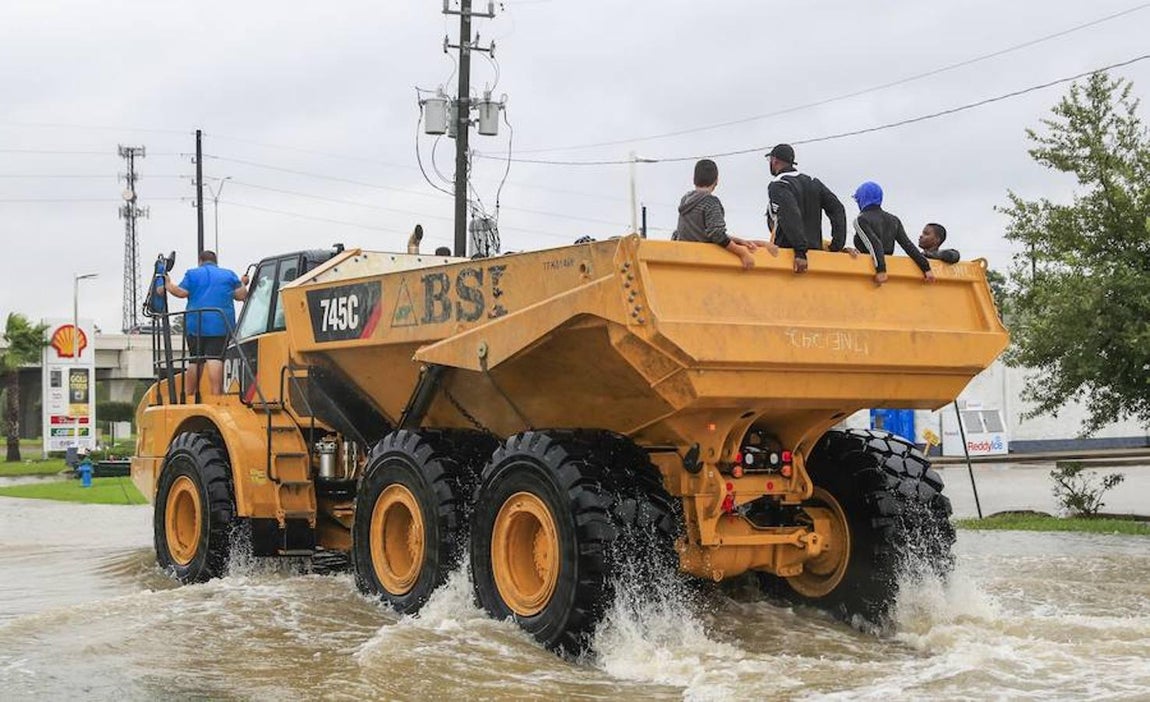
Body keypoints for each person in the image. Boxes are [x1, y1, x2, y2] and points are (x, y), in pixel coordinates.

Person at [164, 250, 249, 396]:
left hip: (195, 324)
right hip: (221, 324)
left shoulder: (192, 274)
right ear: (216, 261)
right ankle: (216, 393)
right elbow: (242, 295)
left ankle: (188, 394)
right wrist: (242, 283)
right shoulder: (228, 275)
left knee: (194, 360)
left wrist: (168, 284)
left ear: (200, 261)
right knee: (215, 358)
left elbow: (181, 292)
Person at [673, 158, 775, 269]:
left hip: (684, 258)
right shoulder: (710, 202)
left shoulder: (686, 200)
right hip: (704, 263)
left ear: (694, 179)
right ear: (716, 181)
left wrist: (740, 241)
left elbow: (708, 232)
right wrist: (743, 253)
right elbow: (717, 235)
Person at [765, 143, 847, 273]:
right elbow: (837, 209)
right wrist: (837, 245)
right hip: (817, 257)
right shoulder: (813, 183)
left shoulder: (779, 185)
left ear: (774, 161)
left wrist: (800, 251)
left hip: (789, 258)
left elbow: (790, 214)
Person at [850, 181, 934, 285]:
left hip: (870, 272)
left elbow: (874, 243)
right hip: (891, 266)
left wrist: (881, 270)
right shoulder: (894, 220)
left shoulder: (860, 220)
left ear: (861, 199)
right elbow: (908, 245)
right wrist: (926, 268)